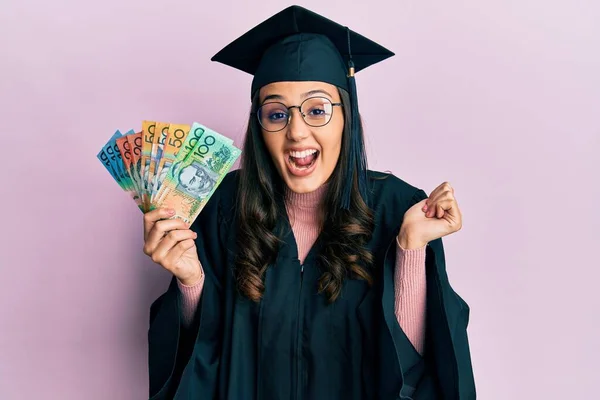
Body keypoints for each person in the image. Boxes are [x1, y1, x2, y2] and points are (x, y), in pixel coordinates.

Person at [142, 5, 475, 400]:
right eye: (276, 113)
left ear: (346, 117)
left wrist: (410, 248)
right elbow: (200, 360)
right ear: (259, 125)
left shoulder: (397, 207)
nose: (297, 132)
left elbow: (415, 368)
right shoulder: (221, 208)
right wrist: (190, 281)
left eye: (317, 110)